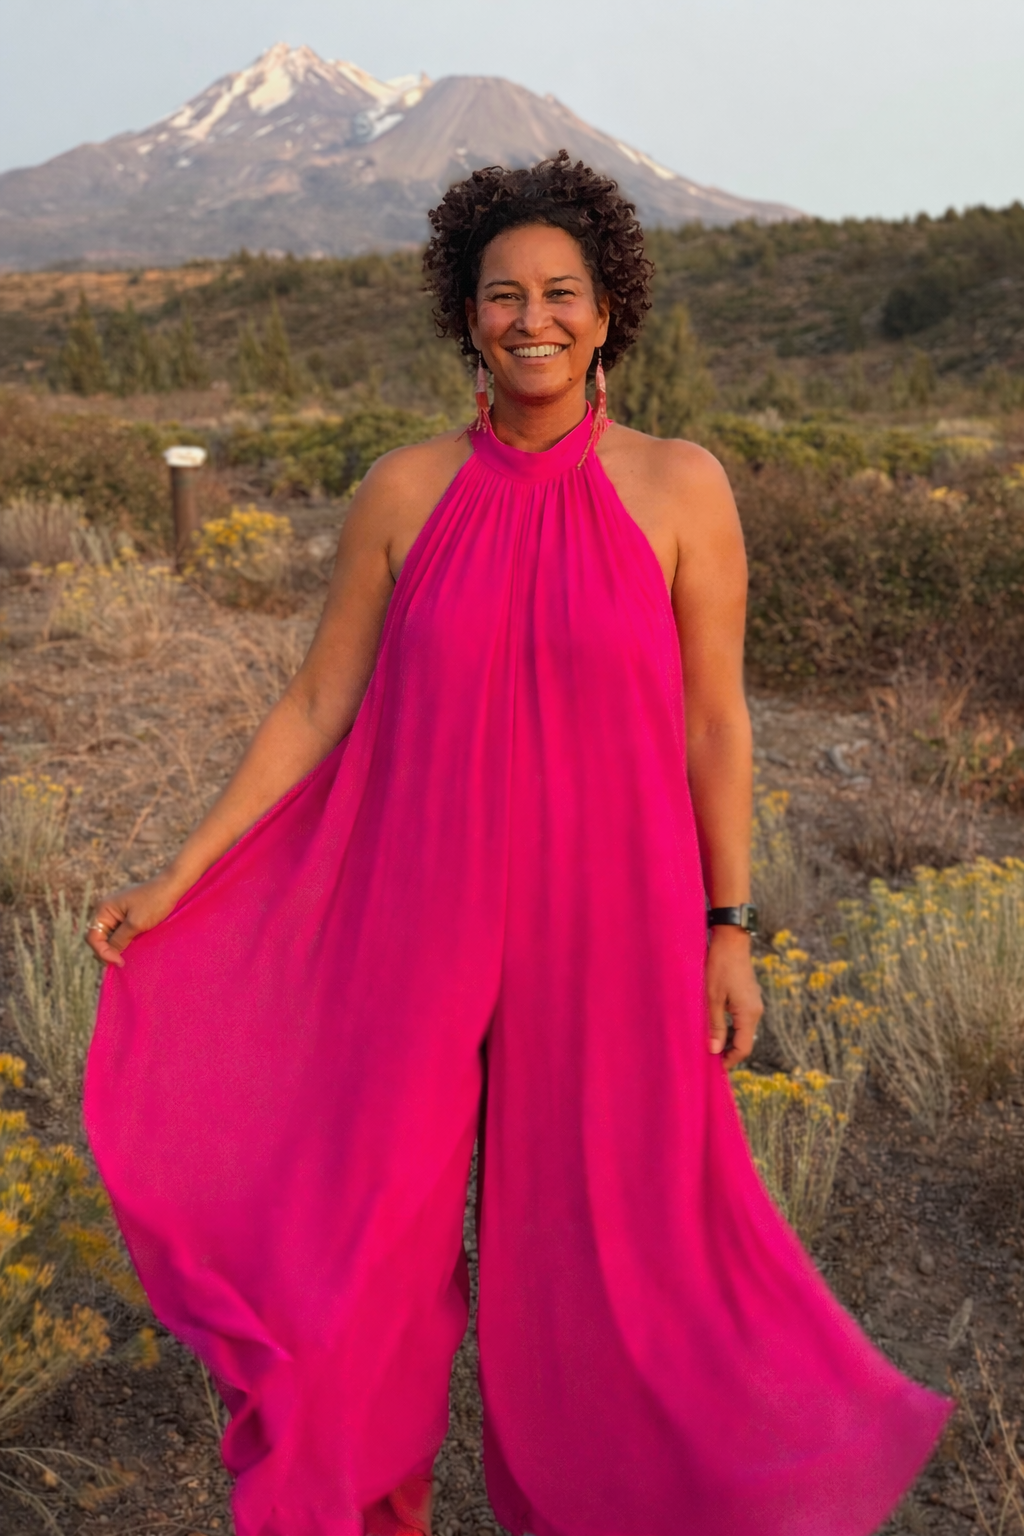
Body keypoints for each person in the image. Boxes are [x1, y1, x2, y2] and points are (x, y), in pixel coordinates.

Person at [84, 152, 950, 1536]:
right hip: (408, 916)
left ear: (609, 314)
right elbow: (316, 702)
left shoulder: (680, 488)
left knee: (620, 1259)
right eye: (502, 296)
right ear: (464, 315)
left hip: (613, 925)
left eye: (560, 294)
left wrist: (729, 931)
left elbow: (719, 728)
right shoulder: (404, 488)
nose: (530, 319)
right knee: (361, 1243)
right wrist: (181, 873)